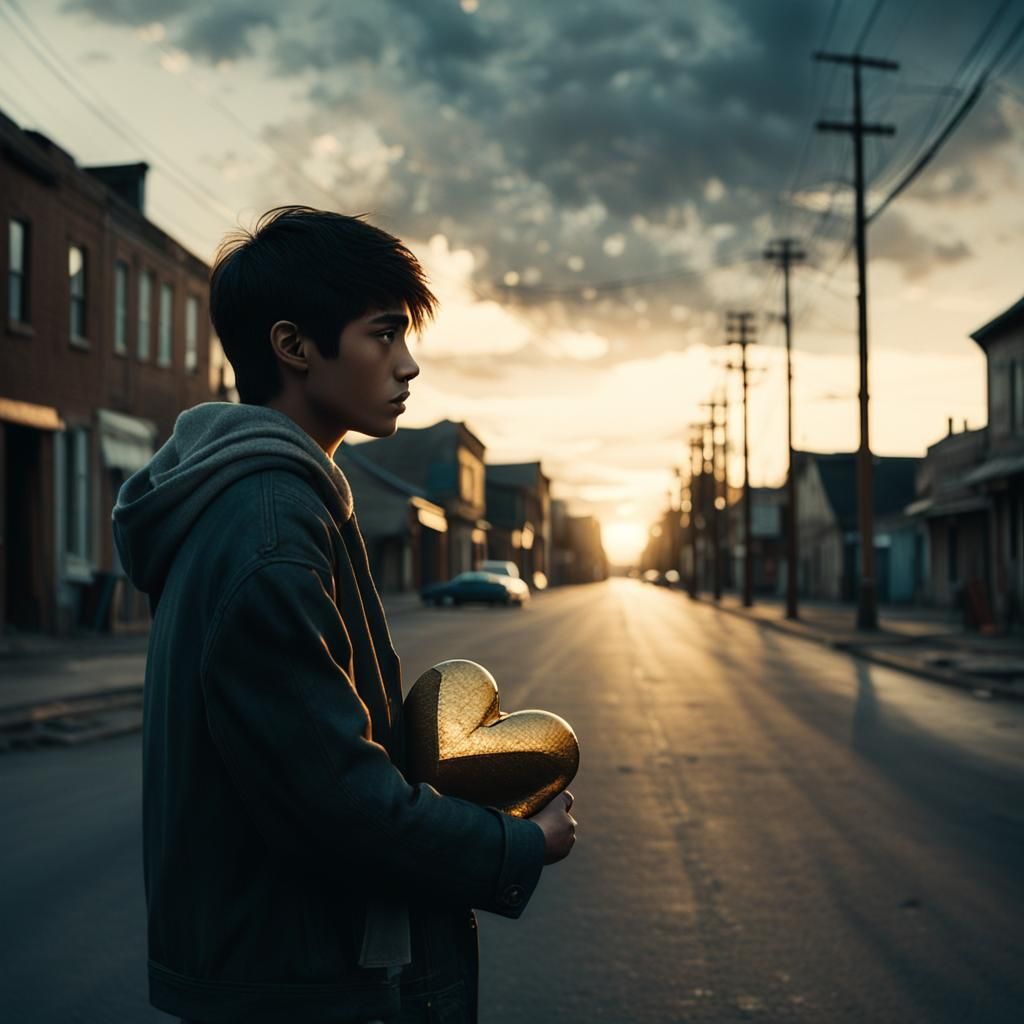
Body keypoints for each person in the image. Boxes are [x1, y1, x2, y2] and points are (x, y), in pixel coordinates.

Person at [111, 206, 577, 1024]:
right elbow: (333, 799)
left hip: (282, 965)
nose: (407, 366)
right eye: (383, 336)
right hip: (298, 983)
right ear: (293, 346)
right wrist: (519, 846)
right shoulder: (271, 524)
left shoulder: (273, 501)